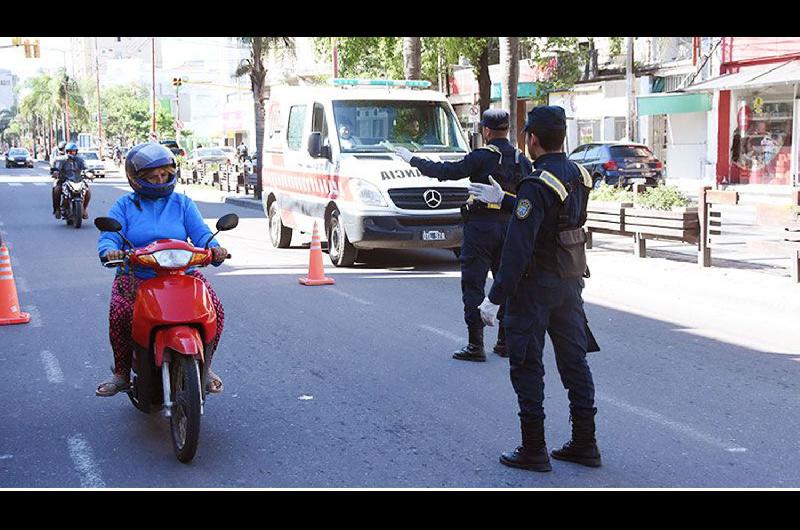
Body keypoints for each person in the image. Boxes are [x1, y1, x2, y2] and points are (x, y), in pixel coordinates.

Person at [473, 106, 601, 472]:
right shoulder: (579, 175)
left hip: (534, 287)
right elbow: (557, 218)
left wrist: (493, 299)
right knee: (574, 361)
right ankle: (585, 442)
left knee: (527, 364)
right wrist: (506, 199)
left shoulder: (537, 182)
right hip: (570, 282)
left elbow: (517, 249)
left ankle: (533, 448)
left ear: (532, 139)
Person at [395, 109, 531, 361]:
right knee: (507, 282)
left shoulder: (480, 157)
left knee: (473, 284)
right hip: (510, 229)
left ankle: (475, 345)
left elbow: (445, 171)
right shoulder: (522, 159)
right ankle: (504, 342)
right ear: (507, 130)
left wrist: (412, 158)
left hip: (480, 229)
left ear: (486, 132)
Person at [95, 143, 229, 397]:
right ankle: (122, 373)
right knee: (121, 316)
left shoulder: (182, 204)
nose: (160, 180)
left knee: (216, 311)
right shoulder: (124, 205)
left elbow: (201, 234)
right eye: (153, 176)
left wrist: (215, 248)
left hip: (182, 274)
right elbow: (109, 237)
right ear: (137, 179)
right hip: (136, 276)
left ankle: (206, 367)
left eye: (165, 174)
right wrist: (110, 251)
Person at [52, 142, 91, 219]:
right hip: (64, 180)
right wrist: (55, 173)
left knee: (88, 191)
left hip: (78, 181)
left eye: (74, 151)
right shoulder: (61, 160)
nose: (72, 153)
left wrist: (89, 173)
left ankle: (84, 209)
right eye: (70, 151)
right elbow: (56, 168)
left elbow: (86, 168)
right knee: (56, 190)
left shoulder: (80, 160)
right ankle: (57, 209)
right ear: (67, 152)